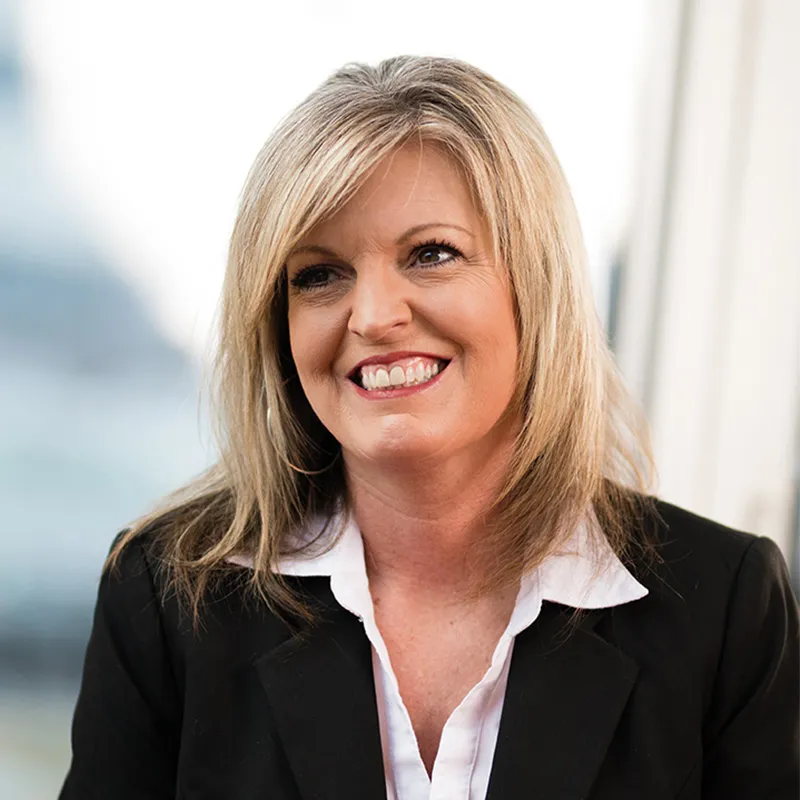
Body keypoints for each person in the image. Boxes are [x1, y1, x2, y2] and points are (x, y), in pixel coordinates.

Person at [59, 55, 798, 800]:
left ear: (534, 288)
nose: (375, 316)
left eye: (432, 254)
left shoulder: (725, 608)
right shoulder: (166, 596)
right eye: (319, 274)